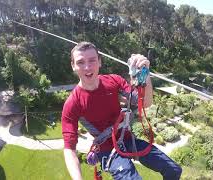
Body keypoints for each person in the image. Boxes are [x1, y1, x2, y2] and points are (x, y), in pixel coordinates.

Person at [62, 42, 182, 180]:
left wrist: (145, 72)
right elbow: (69, 149)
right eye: (80, 62)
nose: (87, 67)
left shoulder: (114, 81)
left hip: (127, 139)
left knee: (174, 170)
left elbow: (146, 102)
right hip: (107, 150)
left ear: (100, 62)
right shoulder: (73, 103)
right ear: (73, 66)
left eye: (92, 60)